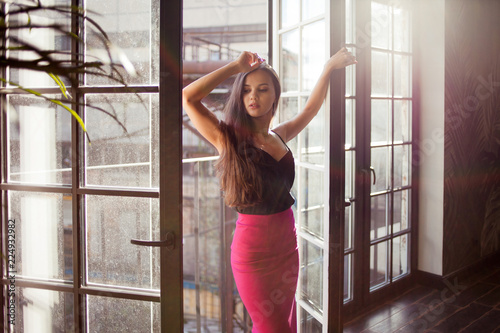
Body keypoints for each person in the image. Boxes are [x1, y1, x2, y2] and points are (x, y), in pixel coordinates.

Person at [182, 48, 356, 333]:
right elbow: (188, 97)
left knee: (285, 322)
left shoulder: (279, 135)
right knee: (270, 326)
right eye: (247, 90)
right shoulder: (228, 138)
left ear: (275, 96)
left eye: (263, 90)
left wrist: (327, 68)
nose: (253, 96)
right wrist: (235, 68)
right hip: (253, 252)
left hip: (287, 243)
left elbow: (310, 109)